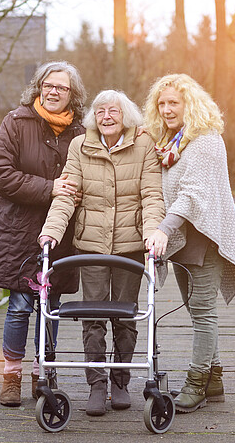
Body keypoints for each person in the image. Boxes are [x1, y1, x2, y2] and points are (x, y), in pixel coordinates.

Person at [39, 90, 166, 416]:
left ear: (126, 115)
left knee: (126, 315)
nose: (106, 117)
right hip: (91, 246)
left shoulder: (144, 146)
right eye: (100, 111)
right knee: (93, 316)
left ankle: (121, 381)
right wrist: (51, 232)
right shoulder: (79, 146)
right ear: (93, 117)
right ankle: (97, 384)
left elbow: (152, 194)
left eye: (114, 111)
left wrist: (153, 232)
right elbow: (66, 196)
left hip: (130, 246)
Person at [0, 61, 87, 407]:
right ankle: (11, 375)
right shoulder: (16, 122)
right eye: (48, 85)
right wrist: (50, 188)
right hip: (20, 231)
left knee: (51, 305)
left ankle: (43, 373)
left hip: (60, 234)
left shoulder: (82, 133)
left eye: (61, 87)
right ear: (39, 87)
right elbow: (1, 174)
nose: (53, 91)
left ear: (73, 94)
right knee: (20, 305)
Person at [144, 74, 235, 413]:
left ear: (190, 104)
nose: (167, 109)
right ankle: (214, 381)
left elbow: (193, 194)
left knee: (203, 313)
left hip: (205, 238)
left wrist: (164, 229)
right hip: (184, 240)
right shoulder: (171, 143)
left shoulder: (205, 140)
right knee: (195, 309)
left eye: (174, 102)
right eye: (162, 103)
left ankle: (197, 382)